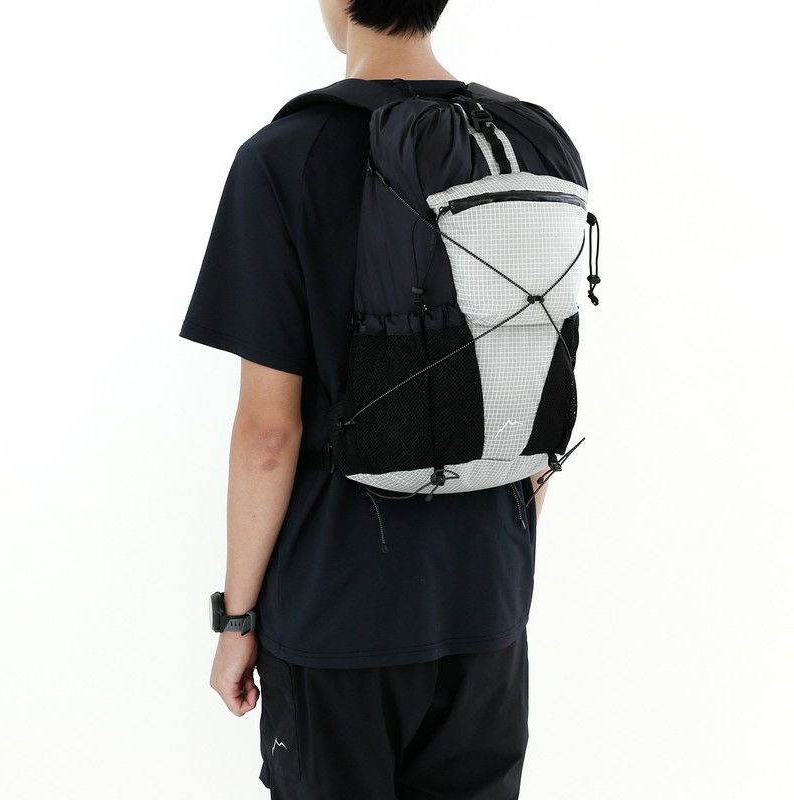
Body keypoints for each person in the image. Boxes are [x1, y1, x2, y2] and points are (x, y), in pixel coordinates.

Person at [182, 2, 553, 797]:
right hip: (487, 595)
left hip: (338, 605)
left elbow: (269, 435)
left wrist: (237, 621)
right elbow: (536, 390)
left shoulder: (285, 156)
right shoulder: (526, 143)